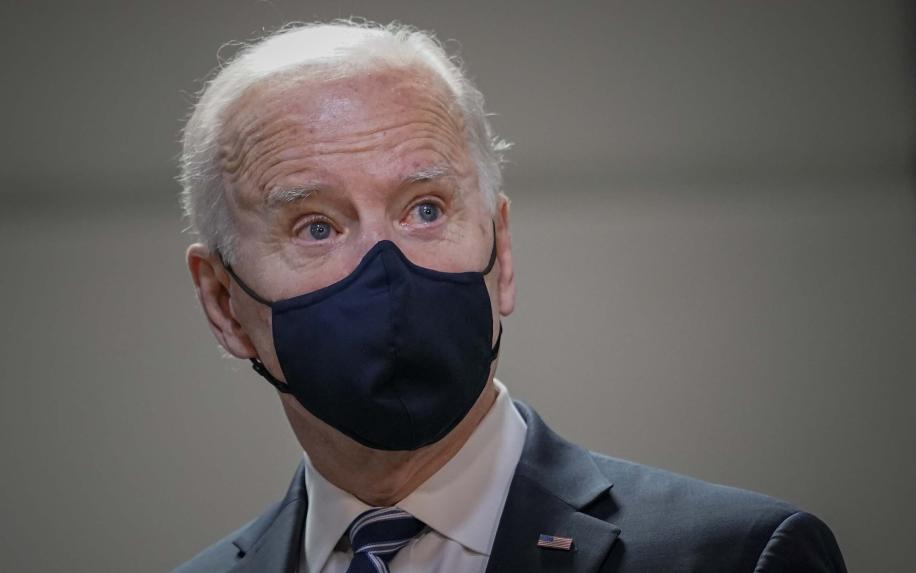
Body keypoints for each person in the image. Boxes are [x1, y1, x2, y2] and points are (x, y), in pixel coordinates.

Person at [174, 20, 846, 573]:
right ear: (223, 303)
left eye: (426, 210)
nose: (387, 267)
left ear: (502, 250)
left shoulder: (741, 557)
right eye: (316, 226)